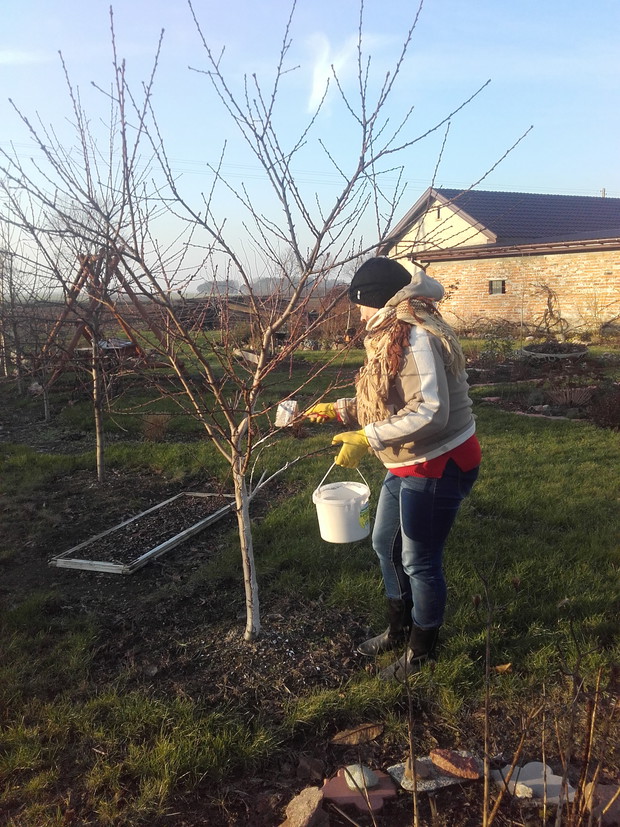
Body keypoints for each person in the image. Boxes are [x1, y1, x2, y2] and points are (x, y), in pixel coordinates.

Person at [305, 257, 481, 680]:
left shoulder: (415, 336)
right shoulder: (390, 332)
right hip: (406, 460)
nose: (359, 313)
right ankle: (398, 628)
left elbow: (432, 413)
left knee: (419, 560)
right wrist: (340, 410)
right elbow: (389, 398)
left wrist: (369, 437)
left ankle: (422, 653)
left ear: (378, 300)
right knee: (385, 543)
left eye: (361, 304)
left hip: (439, 462)